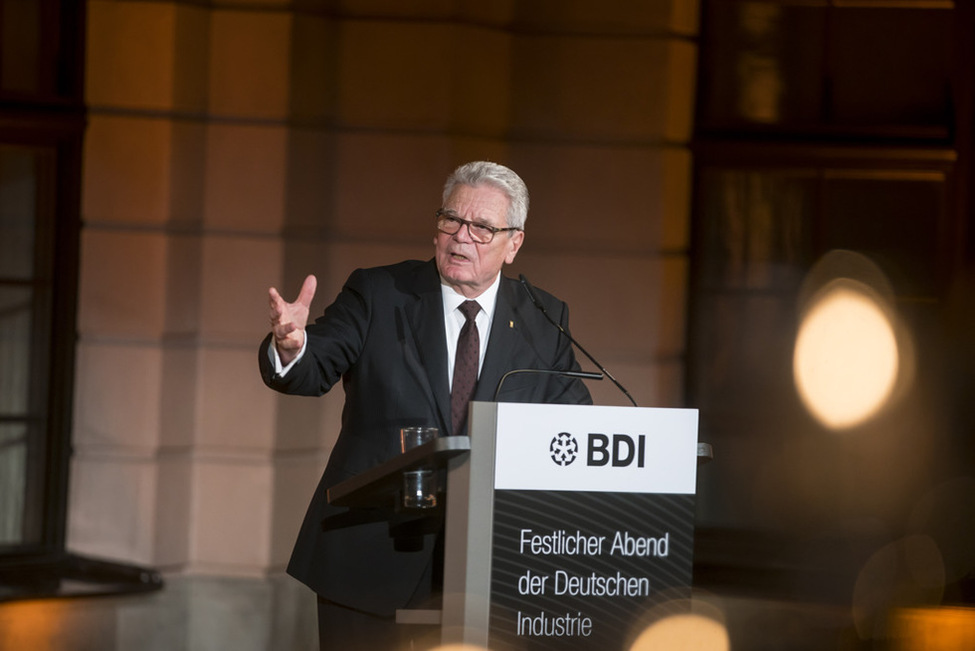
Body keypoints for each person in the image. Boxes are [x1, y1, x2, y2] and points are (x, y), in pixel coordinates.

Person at [259, 161, 593, 649]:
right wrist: (292, 347)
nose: (460, 237)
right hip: (371, 559)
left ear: (514, 243)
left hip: (492, 573)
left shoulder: (544, 318)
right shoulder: (379, 293)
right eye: (450, 220)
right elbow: (314, 367)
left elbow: (576, 428)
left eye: (481, 228)